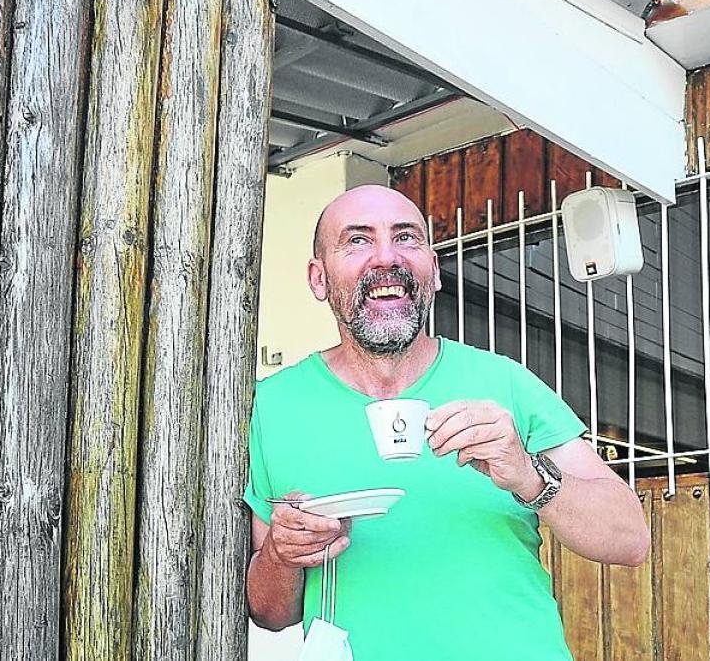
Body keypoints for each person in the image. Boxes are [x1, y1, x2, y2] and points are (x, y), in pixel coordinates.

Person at [243, 185, 650, 660]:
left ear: (433, 272)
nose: (386, 258)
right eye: (358, 240)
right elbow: (272, 614)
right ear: (318, 279)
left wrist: (528, 474)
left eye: (406, 238)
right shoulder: (272, 405)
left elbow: (630, 540)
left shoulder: (505, 383)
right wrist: (281, 554)